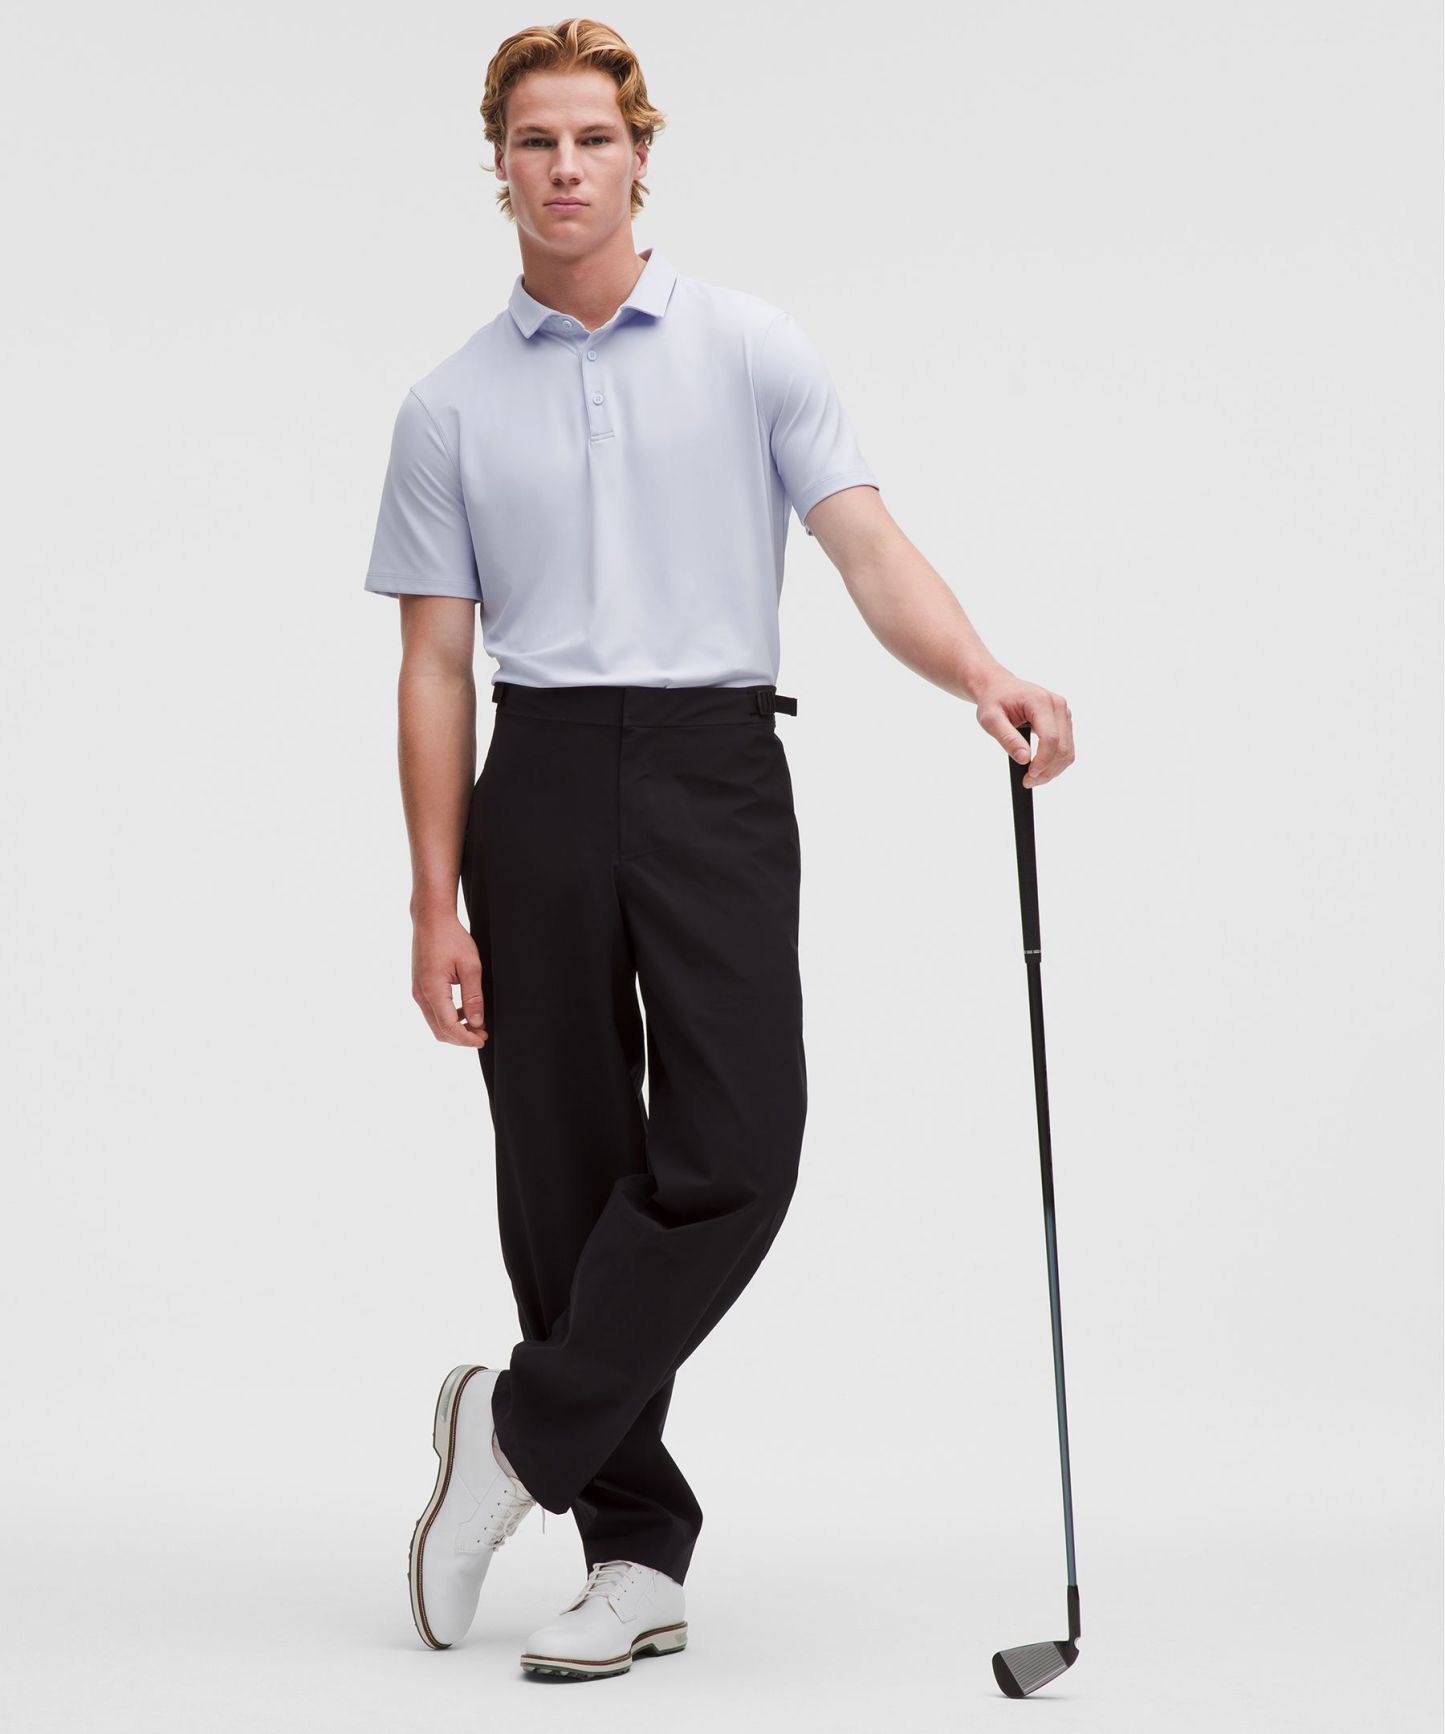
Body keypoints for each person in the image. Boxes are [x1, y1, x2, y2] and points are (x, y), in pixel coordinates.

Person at [363, 15, 1076, 1684]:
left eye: (592, 140)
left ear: (639, 154)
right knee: (561, 1168)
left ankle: (510, 1430)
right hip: (540, 771)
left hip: (713, 764)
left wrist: (979, 671)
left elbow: (863, 543)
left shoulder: (749, 346)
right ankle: (633, 1558)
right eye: (534, 143)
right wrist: (429, 901)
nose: (564, 169)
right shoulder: (446, 404)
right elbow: (433, 667)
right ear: (497, 167)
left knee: (738, 1145)